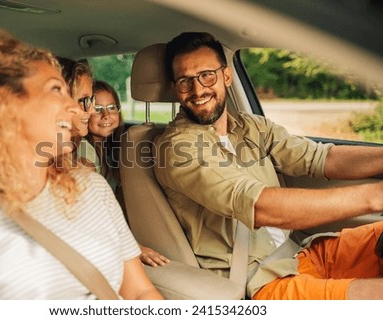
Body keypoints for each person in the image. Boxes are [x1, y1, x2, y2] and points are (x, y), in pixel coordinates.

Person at [153, 31, 383, 299]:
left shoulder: (252, 127)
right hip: (260, 282)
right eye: (185, 81)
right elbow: (260, 206)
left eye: (207, 75)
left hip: (300, 254)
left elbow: (320, 158)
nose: (198, 89)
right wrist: (375, 196)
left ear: (227, 76)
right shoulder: (177, 149)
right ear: (174, 88)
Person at [0, 35, 163, 300]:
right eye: (56, 90)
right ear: (2, 103)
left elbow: (140, 292)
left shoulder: (92, 188)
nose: (75, 109)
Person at [85, 80, 170, 267]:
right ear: (85, 113)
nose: (106, 115)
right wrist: (132, 246)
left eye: (111, 107)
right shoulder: (84, 152)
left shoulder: (116, 146)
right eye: (97, 108)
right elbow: (89, 210)